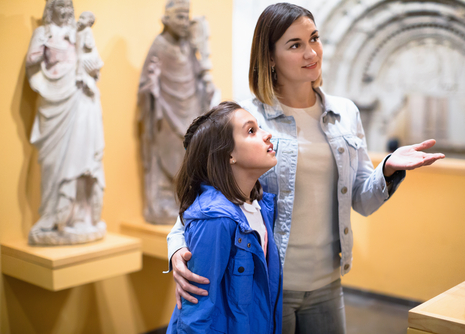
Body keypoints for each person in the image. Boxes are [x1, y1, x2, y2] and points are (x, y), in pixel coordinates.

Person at [167, 3, 445, 333]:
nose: (311, 52)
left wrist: (386, 169)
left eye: (314, 38)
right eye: (295, 45)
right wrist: (175, 250)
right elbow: (207, 197)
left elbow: (362, 200)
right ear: (269, 57)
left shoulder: (346, 113)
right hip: (268, 283)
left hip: (328, 284)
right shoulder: (247, 119)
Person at [166, 101, 282, 334]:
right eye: (251, 131)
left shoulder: (259, 207)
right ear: (229, 155)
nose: (267, 135)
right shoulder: (215, 219)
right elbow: (196, 315)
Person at [26, 0, 106, 245]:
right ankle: (52, 215)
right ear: (50, 10)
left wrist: (89, 67)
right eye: (59, 5)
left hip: (80, 97)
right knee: (52, 163)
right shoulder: (42, 32)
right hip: (53, 96)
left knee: (82, 159)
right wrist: (43, 51)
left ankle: (79, 216)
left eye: (67, 5)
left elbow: (94, 60)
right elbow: (31, 60)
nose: (64, 10)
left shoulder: (79, 32)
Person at [138, 0, 217, 224]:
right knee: (167, 154)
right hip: (166, 114)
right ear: (166, 19)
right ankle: (163, 202)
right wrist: (151, 87)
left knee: (190, 155)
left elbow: (198, 75)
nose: (185, 22)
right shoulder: (159, 45)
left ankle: (187, 198)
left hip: (191, 110)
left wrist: (205, 87)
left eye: (187, 17)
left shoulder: (188, 47)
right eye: (180, 17)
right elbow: (144, 85)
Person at [75, 11, 103, 97]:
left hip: (87, 56)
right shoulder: (79, 31)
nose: (79, 20)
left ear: (89, 22)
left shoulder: (87, 30)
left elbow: (89, 44)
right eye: (79, 17)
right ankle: (85, 83)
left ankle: (82, 78)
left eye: (83, 18)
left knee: (80, 60)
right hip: (81, 54)